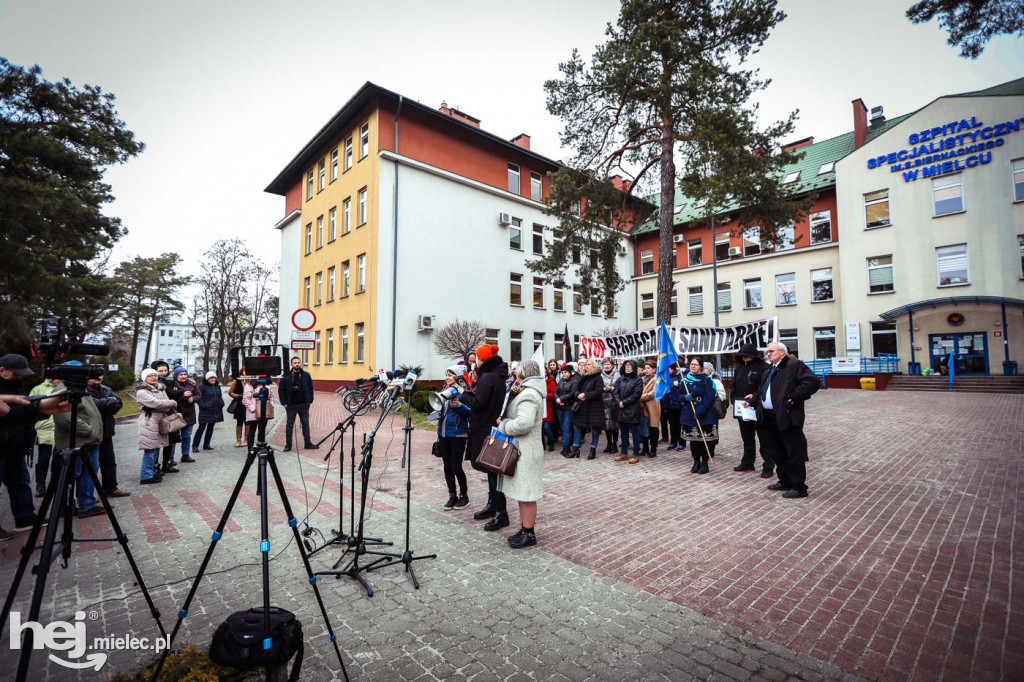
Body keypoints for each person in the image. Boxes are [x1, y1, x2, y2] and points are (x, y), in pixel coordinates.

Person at [744, 341, 820, 499]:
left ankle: (799, 487)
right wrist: (752, 400)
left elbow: (812, 382)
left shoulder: (794, 365)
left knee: (793, 452)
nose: (768, 354)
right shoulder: (769, 370)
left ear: (782, 353)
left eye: (771, 351)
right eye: (767, 351)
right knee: (777, 451)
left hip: (787, 416)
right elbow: (762, 391)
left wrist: (792, 398)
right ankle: (784, 480)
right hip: (769, 417)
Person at [460, 343, 510, 532]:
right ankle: (493, 505)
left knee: (492, 473)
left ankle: (501, 513)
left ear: (482, 359)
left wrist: (462, 393)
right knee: (491, 472)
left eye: (478, 359)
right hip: (490, 428)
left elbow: (478, 403)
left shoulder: (488, 377)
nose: (476, 361)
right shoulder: (495, 375)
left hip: (485, 429)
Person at [496, 359, 545, 549]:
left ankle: (529, 532)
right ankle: (525, 528)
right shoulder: (526, 391)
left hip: (527, 450)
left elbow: (524, 424)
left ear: (524, 374)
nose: (514, 374)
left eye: (516, 371)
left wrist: (504, 425)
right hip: (522, 449)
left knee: (527, 494)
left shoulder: (530, 394)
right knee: (522, 493)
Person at [52, 362, 105, 517]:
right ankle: (65, 506)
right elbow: (65, 418)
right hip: (77, 441)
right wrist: (89, 431)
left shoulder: (78, 387)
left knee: (89, 473)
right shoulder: (63, 390)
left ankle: (86, 504)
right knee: (71, 475)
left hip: (88, 441)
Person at [0, 354, 43, 534]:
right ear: (2, 370)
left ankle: (25, 518)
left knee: (21, 482)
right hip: (2, 445)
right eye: (16, 373)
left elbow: (22, 414)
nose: (20, 376)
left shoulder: (17, 387)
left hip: (16, 446)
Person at [86, 371, 129, 498]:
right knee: (91, 465)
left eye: (101, 375)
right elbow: (92, 406)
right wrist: (108, 403)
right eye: (96, 375)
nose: (99, 377)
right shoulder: (85, 390)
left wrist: (106, 406)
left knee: (109, 462)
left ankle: (111, 488)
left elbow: (118, 402)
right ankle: (87, 496)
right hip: (92, 432)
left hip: (107, 430)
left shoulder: (106, 389)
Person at [731, 344, 770, 476]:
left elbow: (764, 385)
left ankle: (768, 466)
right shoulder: (739, 368)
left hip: (758, 408)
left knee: (764, 439)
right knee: (747, 438)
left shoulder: (763, 368)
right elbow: (734, 385)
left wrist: (754, 395)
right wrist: (733, 398)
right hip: (742, 408)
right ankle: (747, 463)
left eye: (747, 355)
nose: (745, 357)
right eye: (743, 355)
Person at [436, 365, 471, 510]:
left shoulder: (463, 392)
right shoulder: (445, 391)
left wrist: (459, 406)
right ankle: (452, 495)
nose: (447, 377)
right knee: (447, 467)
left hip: (458, 434)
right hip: (444, 434)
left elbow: (470, 413)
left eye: (450, 375)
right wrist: (437, 413)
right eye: (446, 375)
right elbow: (444, 411)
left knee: (456, 467)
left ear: (457, 377)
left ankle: (464, 496)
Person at [678, 356, 718, 474]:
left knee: (704, 440)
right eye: (691, 364)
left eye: (695, 364)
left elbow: (709, 397)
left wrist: (700, 411)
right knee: (693, 440)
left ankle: (705, 462)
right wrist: (684, 397)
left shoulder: (707, 380)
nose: (692, 366)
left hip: (704, 414)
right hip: (689, 413)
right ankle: (696, 462)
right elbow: (679, 395)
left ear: (701, 367)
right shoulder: (684, 380)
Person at [136, 368, 176, 484]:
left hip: (160, 420)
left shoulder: (160, 388)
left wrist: (167, 404)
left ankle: (152, 472)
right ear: (145, 378)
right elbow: (156, 403)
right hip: (149, 421)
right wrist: (172, 402)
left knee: (156, 448)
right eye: (150, 376)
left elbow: (165, 404)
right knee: (150, 449)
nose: (153, 377)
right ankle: (146, 476)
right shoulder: (142, 391)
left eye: (155, 375)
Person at [29, 375, 61, 497]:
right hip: (44, 429)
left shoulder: (64, 388)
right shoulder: (38, 389)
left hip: (60, 428)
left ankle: (55, 483)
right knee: (43, 457)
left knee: (58, 458)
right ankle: (40, 485)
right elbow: (31, 406)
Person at [278, 356, 317, 451]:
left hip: (304, 404)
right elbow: (281, 390)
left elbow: (311, 388)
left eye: (298, 362)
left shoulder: (306, 375)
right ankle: (288, 445)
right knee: (289, 425)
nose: (297, 364)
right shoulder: (286, 375)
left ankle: (307, 443)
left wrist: (310, 400)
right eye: (295, 363)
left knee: (305, 423)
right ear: (292, 364)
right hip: (291, 404)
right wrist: (284, 402)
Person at [151, 360, 183, 473]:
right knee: (157, 443)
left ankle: (166, 464)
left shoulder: (172, 381)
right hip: (158, 416)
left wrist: (176, 393)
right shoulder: (153, 384)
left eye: (165, 370)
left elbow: (181, 391)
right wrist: (174, 394)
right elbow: (172, 395)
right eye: (160, 371)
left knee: (171, 441)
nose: (164, 373)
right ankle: (155, 466)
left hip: (171, 415)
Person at [572, 358, 606, 460]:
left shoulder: (598, 378)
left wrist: (586, 395)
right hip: (582, 406)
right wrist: (578, 394)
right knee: (577, 426)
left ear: (594, 366)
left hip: (594, 407)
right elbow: (575, 389)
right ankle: (575, 449)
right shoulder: (583, 377)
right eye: (585, 365)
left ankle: (593, 450)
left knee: (595, 428)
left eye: (589, 364)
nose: (586, 366)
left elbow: (599, 391)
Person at [612, 358, 644, 464]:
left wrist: (624, 402)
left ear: (634, 367)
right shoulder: (621, 379)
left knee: (634, 433)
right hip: (621, 410)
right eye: (626, 365)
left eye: (630, 365)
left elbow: (636, 394)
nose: (628, 367)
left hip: (632, 410)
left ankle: (635, 454)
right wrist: (618, 401)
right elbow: (615, 391)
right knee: (623, 432)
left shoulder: (638, 379)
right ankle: (624, 453)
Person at [171, 366, 198, 463]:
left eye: (185, 374)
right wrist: (183, 395)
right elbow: (170, 398)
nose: (183, 376)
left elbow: (199, 395)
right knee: (174, 438)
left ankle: (185, 454)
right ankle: (170, 457)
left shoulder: (191, 384)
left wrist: (192, 399)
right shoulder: (171, 385)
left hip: (189, 414)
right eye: (180, 374)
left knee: (187, 436)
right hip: (175, 415)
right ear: (176, 375)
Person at [193, 372, 224, 451]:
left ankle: (207, 444)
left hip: (215, 410)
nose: (213, 379)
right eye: (211, 378)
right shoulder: (202, 387)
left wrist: (221, 403)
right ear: (207, 379)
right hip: (205, 411)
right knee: (201, 428)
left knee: (210, 428)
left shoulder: (217, 386)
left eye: (214, 378)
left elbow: (220, 396)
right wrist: (203, 405)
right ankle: (195, 446)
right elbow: (198, 398)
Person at [243, 379, 275, 450]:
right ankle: (250, 449)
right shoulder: (249, 385)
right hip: (253, 413)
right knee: (252, 430)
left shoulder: (268, 385)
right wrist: (253, 409)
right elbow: (245, 399)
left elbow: (271, 396)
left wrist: (271, 405)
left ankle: (261, 447)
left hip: (264, 412)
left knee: (262, 430)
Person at [553, 363, 578, 457]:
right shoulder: (561, 381)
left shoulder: (574, 381)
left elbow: (572, 393)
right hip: (560, 407)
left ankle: (566, 447)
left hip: (569, 407)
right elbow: (555, 391)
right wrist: (558, 399)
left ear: (570, 373)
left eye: (566, 372)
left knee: (567, 428)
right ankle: (565, 446)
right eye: (563, 372)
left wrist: (562, 399)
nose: (564, 374)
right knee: (563, 428)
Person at [639, 359, 661, 458]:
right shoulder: (642, 379)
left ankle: (653, 449)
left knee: (653, 428)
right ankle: (645, 448)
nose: (646, 370)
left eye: (649, 368)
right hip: (643, 407)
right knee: (644, 427)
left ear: (654, 369)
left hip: (652, 406)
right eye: (646, 368)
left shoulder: (657, 379)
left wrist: (639, 397)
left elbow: (653, 393)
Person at [662, 363, 684, 451]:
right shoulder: (665, 378)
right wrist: (664, 406)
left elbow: (684, 389)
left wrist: (678, 385)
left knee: (679, 425)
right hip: (669, 405)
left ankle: (682, 443)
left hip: (678, 405)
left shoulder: (679, 376)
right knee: (672, 425)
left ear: (673, 369)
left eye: (669, 369)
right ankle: (673, 442)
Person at [600, 358, 620, 454]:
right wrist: (603, 389)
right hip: (604, 402)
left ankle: (615, 444)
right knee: (606, 425)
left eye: (608, 364)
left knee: (614, 425)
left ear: (612, 365)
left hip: (613, 402)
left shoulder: (617, 374)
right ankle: (608, 444)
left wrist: (611, 388)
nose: (606, 366)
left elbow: (619, 387)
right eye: (605, 364)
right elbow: (598, 386)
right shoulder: (601, 375)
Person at [229, 373, 248, 447]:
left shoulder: (251, 381)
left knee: (248, 422)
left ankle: (246, 439)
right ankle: (238, 440)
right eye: (244, 371)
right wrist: (238, 396)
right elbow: (230, 392)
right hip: (239, 404)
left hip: (249, 404)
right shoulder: (236, 381)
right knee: (239, 422)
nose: (245, 373)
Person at [545, 359, 562, 444]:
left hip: (558, 398)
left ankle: (556, 435)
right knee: (551, 420)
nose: (552, 366)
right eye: (550, 365)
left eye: (553, 364)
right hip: (551, 402)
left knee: (556, 419)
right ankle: (553, 435)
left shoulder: (560, 374)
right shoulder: (548, 375)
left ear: (556, 365)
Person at [541, 363, 557, 452]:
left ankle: (551, 442)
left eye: (543, 370)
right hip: (539, 408)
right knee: (540, 429)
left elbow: (554, 393)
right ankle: (542, 444)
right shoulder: (537, 382)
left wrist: (545, 395)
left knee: (547, 427)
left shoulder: (551, 381)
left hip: (548, 407)